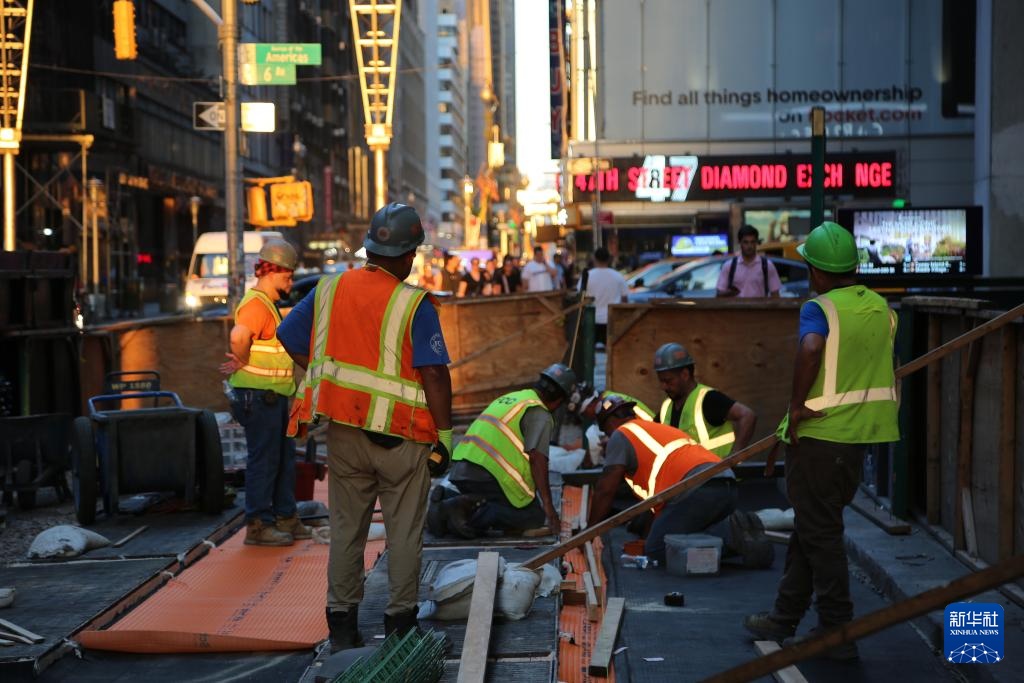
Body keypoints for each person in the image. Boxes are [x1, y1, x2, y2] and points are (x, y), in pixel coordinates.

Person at [278, 203, 453, 651]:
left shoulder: (329, 289)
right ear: (407, 254)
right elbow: (434, 374)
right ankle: (400, 625)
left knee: (346, 530)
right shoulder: (413, 303)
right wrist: (445, 436)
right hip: (402, 439)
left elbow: (288, 335)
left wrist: (328, 378)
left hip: (344, 433)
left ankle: (342, 627)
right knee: (403, 533)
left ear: (370, 248)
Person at [743, 222, 899, 660]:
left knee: (821, 533)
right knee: (812, 527)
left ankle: (836, 631)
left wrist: (795, 406)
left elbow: (811, 349)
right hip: (858, 438)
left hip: (820, 436)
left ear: (816, 270)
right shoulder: (881, 309)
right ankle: (785, 616)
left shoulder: (820, 308)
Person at [587, 396, 773, 568]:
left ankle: (730, 534)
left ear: (609, 423)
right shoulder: (657, 430)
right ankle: (743, 537)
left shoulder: (621, 434)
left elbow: (605, 490)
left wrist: (588, 533)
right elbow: (657, 507)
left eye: (605, 431)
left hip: (697, 490)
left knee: (658, 549)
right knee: (670, 538)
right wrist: (647, 536)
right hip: (725, 484)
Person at [219, 238, 311, 547]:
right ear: (272, 271)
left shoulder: (267, 304)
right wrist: (242, 358)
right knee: (264, 461)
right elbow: (238, 336)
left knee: (282, 459)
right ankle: (258, 525)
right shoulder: (257, 305)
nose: (291, 282)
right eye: (288, 275)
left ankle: (285, 517)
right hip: (259, 398)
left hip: (271, 397)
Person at [428, 363, 576, 539]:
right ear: (559, 401)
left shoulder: (515, 398)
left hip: (462, 469)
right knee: (533, 516)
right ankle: (460, 515)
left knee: (496, 503)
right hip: (489, 474)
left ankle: (449, 499)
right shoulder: (540, 413)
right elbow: (538, 460)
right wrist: (549, 508)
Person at [653, 343, 756, 458]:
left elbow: (747, 415)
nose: (663, 386)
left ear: (685, 375)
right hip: (687, 470)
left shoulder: (708, 399)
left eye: (668, 381)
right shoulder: (666, 408)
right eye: (661, 381)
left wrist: (736, 455)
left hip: (717, 469)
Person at [567, 382, 655, 467]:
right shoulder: (608, 401)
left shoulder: (612, 405)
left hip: (651, 441)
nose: (587, 417)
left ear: (589, 405)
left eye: (584, 414)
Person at [578, 247, 628, 346]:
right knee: (612, 350)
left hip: (591, 321)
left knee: (589, 352)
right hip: (612, 321)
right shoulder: (618, 276)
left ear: (594, 258)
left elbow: (579, 297)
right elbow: (625, 300)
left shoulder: (587, 276)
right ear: (609, 259)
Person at [716, 225, 782, 298]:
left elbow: (775, 295)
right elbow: (719, 294)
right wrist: (730, 293)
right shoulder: (729, 266)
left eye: (752, 242)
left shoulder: (767, 266)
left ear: (756, 243)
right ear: (740, 243)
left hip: (759, 305)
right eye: (745, 242)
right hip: (736, 305)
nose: (749, 246)